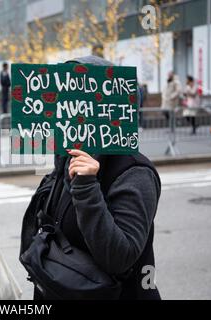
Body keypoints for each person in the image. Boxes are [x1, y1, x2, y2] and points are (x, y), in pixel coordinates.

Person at [20, 56, 162, 300]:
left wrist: (86, 188)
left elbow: (120, 257)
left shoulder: (135, 171)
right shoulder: (66, 160)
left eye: (79, 100)